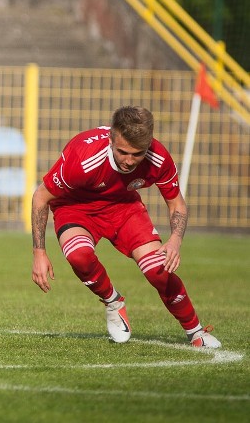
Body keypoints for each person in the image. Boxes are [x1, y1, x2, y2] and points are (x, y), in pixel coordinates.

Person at [31, 106, 222, 348]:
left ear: (149, 144)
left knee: (158, 270)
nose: (129, 161)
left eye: (137, 154)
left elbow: (177, 204)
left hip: (124, 207)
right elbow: (40, 197)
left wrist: (175, 240)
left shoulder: (158, 157)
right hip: (76, 206)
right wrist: (39, 252)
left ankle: (196, 333)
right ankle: (113, 301)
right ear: (111, 138)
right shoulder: (83, 157)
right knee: (79, 255)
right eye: (122, 152)